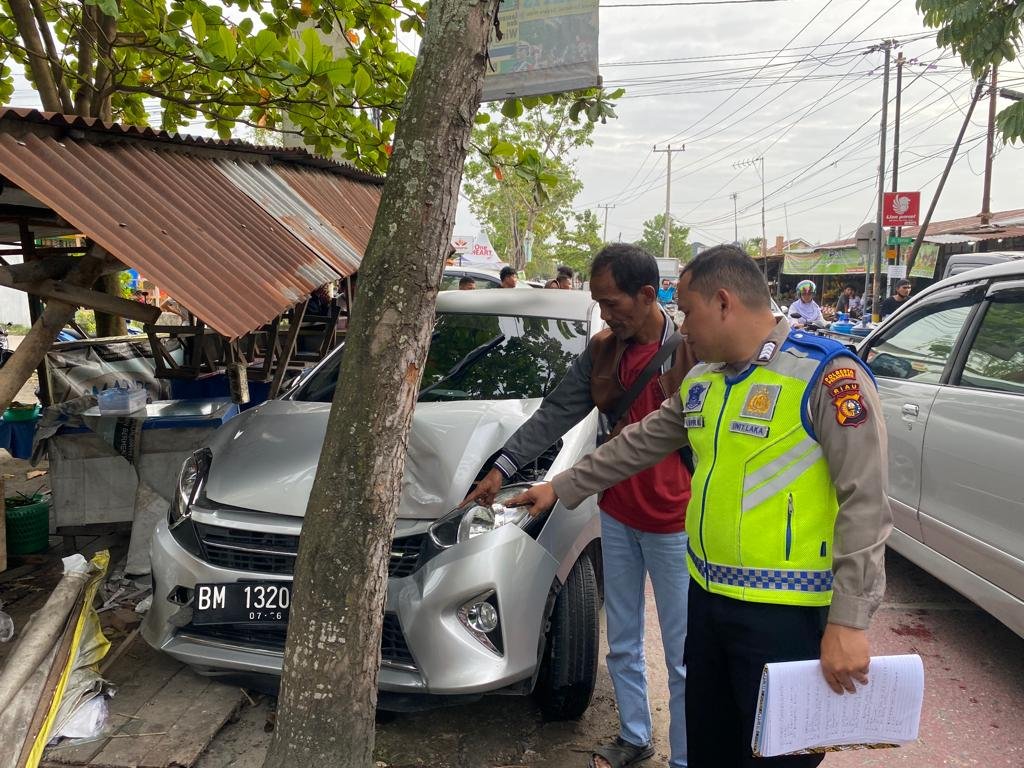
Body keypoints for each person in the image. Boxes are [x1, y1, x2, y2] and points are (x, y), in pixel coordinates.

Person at [508, 245, 892, 768]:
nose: (682, 328)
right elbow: (640, 442)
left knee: (778, 759)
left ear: (724, 303)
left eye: (688, 311)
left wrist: (849, 621)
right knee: (708, 749)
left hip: (788, 616)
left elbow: (865, 503)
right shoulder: (705, 381)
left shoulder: (825, 377)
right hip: (709, 604)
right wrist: (561, 485)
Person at [466, 244, 697, 768]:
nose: (606, 314)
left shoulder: (690, 354)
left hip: (677, 523)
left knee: (683, 653)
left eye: (613, 303)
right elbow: (556, 413)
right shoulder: (602, 352)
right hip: (617, 514)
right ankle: (635, 736)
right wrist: (501, 467)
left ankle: (685, 757)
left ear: (647, 295)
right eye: (599, 303)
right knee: (622, 639)